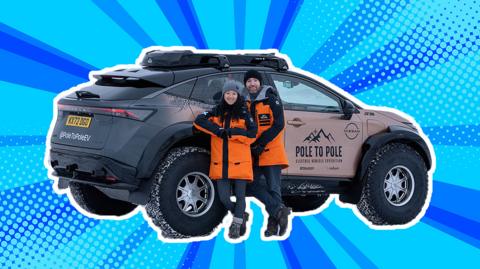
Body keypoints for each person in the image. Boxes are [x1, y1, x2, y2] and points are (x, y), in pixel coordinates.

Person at [193, 80, 257, 239]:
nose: (230, 96)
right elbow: (199, 120)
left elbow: (252, 134)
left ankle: (236, 225)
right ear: (223, 95)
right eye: (227, 93)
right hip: (220, 163)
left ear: (238, 95)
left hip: (240, 162)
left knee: (241, 196)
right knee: (223, 198)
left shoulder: (244, 112)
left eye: (233, 93)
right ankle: (240, 214)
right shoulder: (216, 111)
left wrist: (232, 133)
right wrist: (218, 131)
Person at [243, 70, 291, 237]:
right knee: (251, 184)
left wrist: (261, 143)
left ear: (260, 83)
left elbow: (279, 124)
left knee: (273, 189)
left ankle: (272, 226)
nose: (252, 84)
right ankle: (279, 210)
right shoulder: (246, 102)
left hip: (270, 151)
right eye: (249, 81)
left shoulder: (271, 98)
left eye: (255, 81)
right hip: (253, 152)